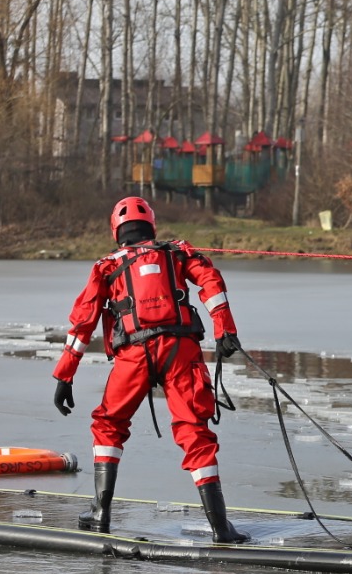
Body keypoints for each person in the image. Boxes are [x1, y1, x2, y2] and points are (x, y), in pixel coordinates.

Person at [51, 196, 250, 544]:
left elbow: (83, 322)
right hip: (180, 350)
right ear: (151, 226)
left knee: (109, 424)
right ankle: (221, 528)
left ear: (117, 231)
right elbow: (211, 284)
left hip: (134, 355)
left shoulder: (105, 266)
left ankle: (100, 514)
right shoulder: (177, 253)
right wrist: (225, 330)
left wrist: (65, 375)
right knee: (194, 431)